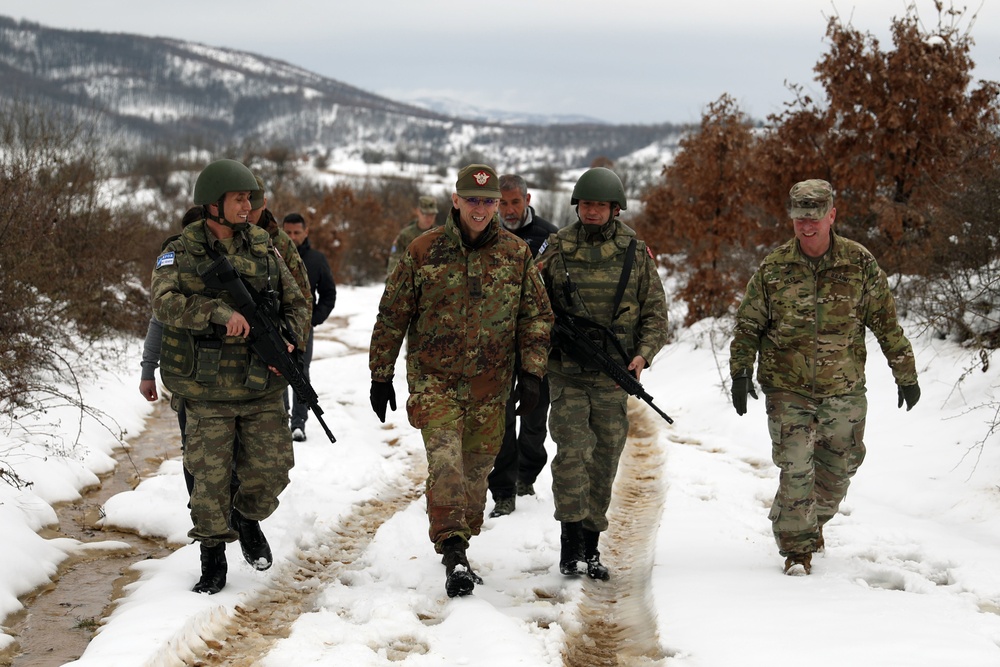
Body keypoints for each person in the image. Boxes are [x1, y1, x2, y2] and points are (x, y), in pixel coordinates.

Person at [369, 164, 553, 597]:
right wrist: (381, 375)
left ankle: (461, 538)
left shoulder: (515, 254)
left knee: (475, 480)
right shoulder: (422, 251)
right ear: (456, 200)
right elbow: (392, 315)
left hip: (491, 390)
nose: (482, 209)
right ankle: (453, 555)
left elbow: (536, 317)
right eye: (473, 200)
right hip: (436, 384)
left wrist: (532, 370)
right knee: (447, 466)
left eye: (489, 202)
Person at [729, 178, 920, 576]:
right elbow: (749, 324)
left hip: (843, 387)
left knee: (841, 466)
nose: (807, 226)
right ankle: (796, 551)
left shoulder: (859, 264)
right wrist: (740, 372)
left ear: (832, 215)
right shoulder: (774, 267)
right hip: (787, 386)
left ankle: (807, 521)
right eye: (800, 218)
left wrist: (905, 373)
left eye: (815, 217)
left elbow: (886, 323)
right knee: (796, 465)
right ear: (792, 218)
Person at [151, 158, 309, 595]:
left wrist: (291, 340)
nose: (249, 204)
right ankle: (212, 555)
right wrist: (217, 313)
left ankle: (246, 516)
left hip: (261, 384)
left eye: (250, 198)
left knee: (273, 470)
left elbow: (298, 300)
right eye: (240, 198)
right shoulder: (178, 250)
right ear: (214, 203)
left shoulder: (264, 244)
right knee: (209, 480)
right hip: (206, 388)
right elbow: (163, 302)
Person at [536, 167, 669, 581]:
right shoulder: (556, 248)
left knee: (605, 458)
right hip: (568, 374)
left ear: (615, 208)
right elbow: (529, 300)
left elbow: (655, 314)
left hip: (612, 378)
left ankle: (592, 546)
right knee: (573, 454)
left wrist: (642, 356)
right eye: (586, 204)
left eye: (601, 205)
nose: (592, 211)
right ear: (578, 205)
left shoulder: (635, 251)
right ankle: (569, 545)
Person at [487, 174, 559, 518]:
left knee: (533, 415)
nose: (509, 209)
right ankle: (503, 488)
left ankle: (526, 476)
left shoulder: (549, 236)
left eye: (515, 201)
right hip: (497, 341)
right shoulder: (487, 235)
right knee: (500, 418)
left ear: (527, 199)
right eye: (502, 203)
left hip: (537, 340)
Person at [282, 211, 337, 441]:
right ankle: (279, 419)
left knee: (301, 373)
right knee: (277, 372)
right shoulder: (272, 255)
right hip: (276, 324)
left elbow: (328, 293)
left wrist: (314, 319)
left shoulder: (316, 259)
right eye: (288, 233)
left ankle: (298, 423)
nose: (293, 237)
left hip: (303, 328)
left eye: (297, 232)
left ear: (306, 232)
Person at [386, 195, 439, 276]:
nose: (429, 218)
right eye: (425, 214)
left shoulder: (440, 235)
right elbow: (394, 261)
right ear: (418, 211)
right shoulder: (405, 235)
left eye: (432, 215)